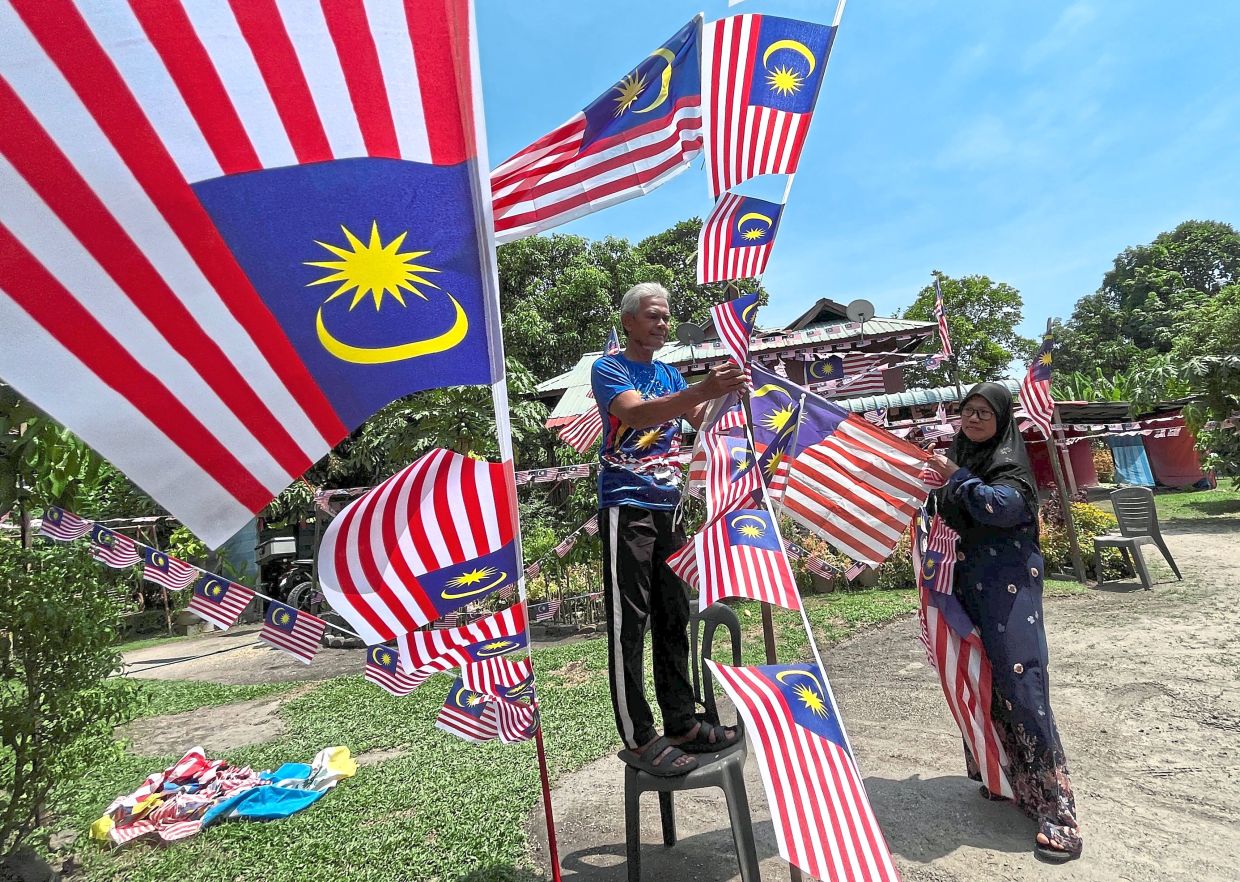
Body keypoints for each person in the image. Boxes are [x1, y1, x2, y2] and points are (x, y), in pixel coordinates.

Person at [924, 382, 1083, 862]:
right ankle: (1005, 778)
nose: (972, 420)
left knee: (1022, 685)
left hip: (1009, 589)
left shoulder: (1009, 465)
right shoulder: (963, 458)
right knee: (982, 680)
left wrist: (955, 478)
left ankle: (1058, 813)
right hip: (966, 587)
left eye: (983, 413)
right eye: (966, 411)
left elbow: (1002, 507)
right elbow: (945, 512)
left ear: (1002, 419)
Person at [592, 282, 746, 777]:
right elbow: (637, 414)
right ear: (629, 322)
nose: (662, 325)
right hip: (628, 507)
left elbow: (704, 421)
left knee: (674, 613)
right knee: (629, 622)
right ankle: (638, 735)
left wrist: (735, 398)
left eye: (666, 317)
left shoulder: (669, 372)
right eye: (653, 317)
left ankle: (681, 721)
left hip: (669, 509)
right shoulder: (610, 368)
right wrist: (701, 390)